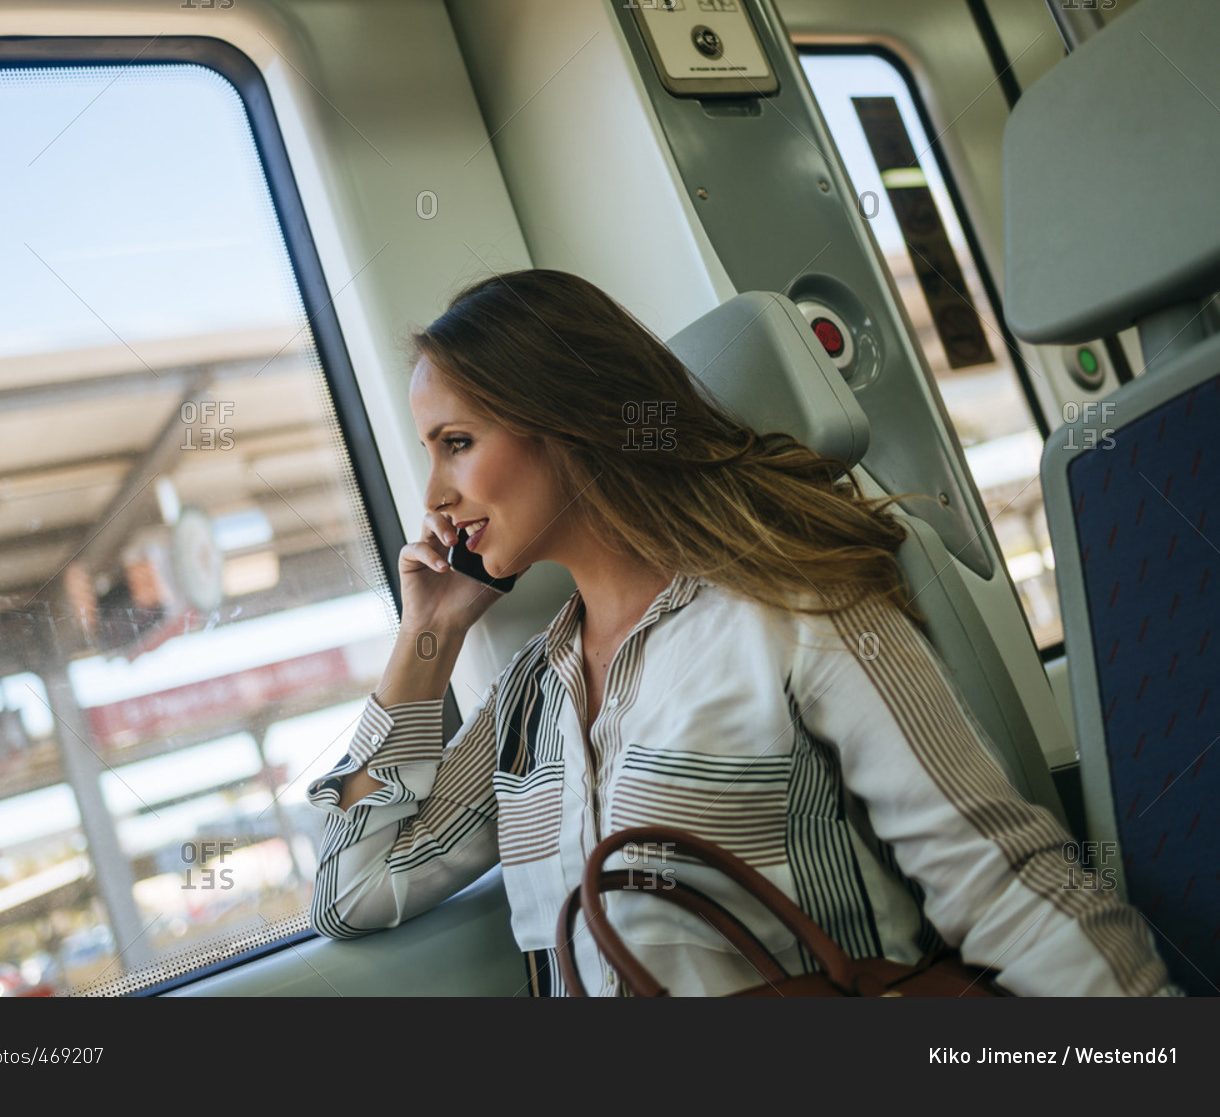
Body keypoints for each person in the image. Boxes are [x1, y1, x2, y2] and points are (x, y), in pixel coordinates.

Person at [306, 269, 1177, 997]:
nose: (432, 496)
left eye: (456, 442)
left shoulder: (789, 608)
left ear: (566, 420)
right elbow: (353, 890)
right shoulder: (529, 697)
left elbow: (1005, 885)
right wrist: (431, 633)